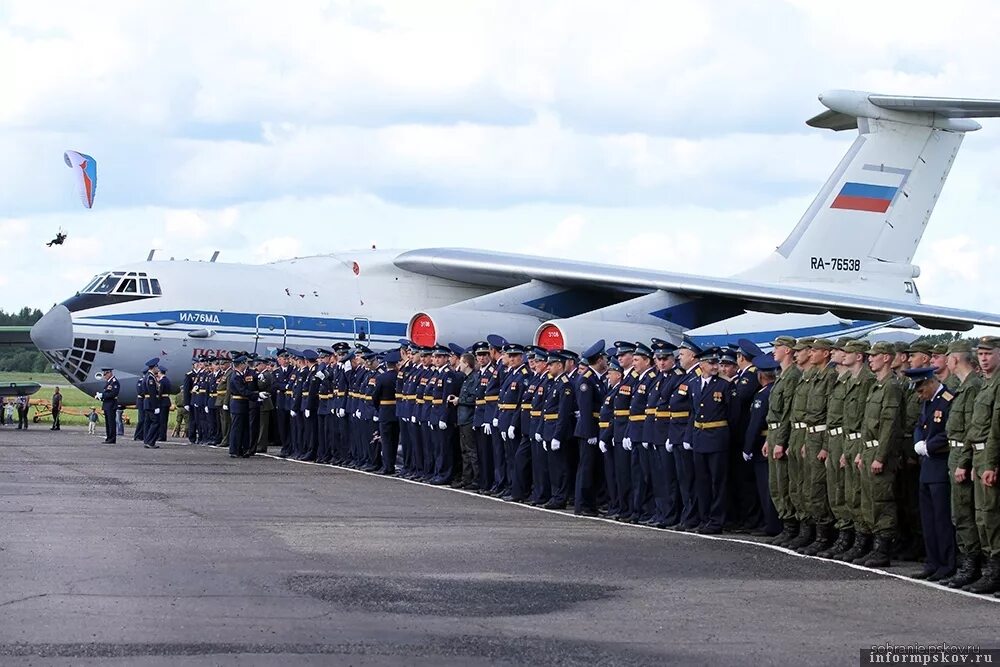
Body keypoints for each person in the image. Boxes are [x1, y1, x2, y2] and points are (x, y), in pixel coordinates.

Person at [904, 366, 956, 581]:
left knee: (942, 519)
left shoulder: (948, 399)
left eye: (920, 389)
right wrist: (918, 442)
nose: (919, 394)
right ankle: (933, 561)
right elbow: (919, 425)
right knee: (928, 519)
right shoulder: (927, 401)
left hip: (940, 465)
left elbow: (950, 431)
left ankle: (946, 563)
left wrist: (930, 446)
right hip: (927, 467)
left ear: (930, 382)